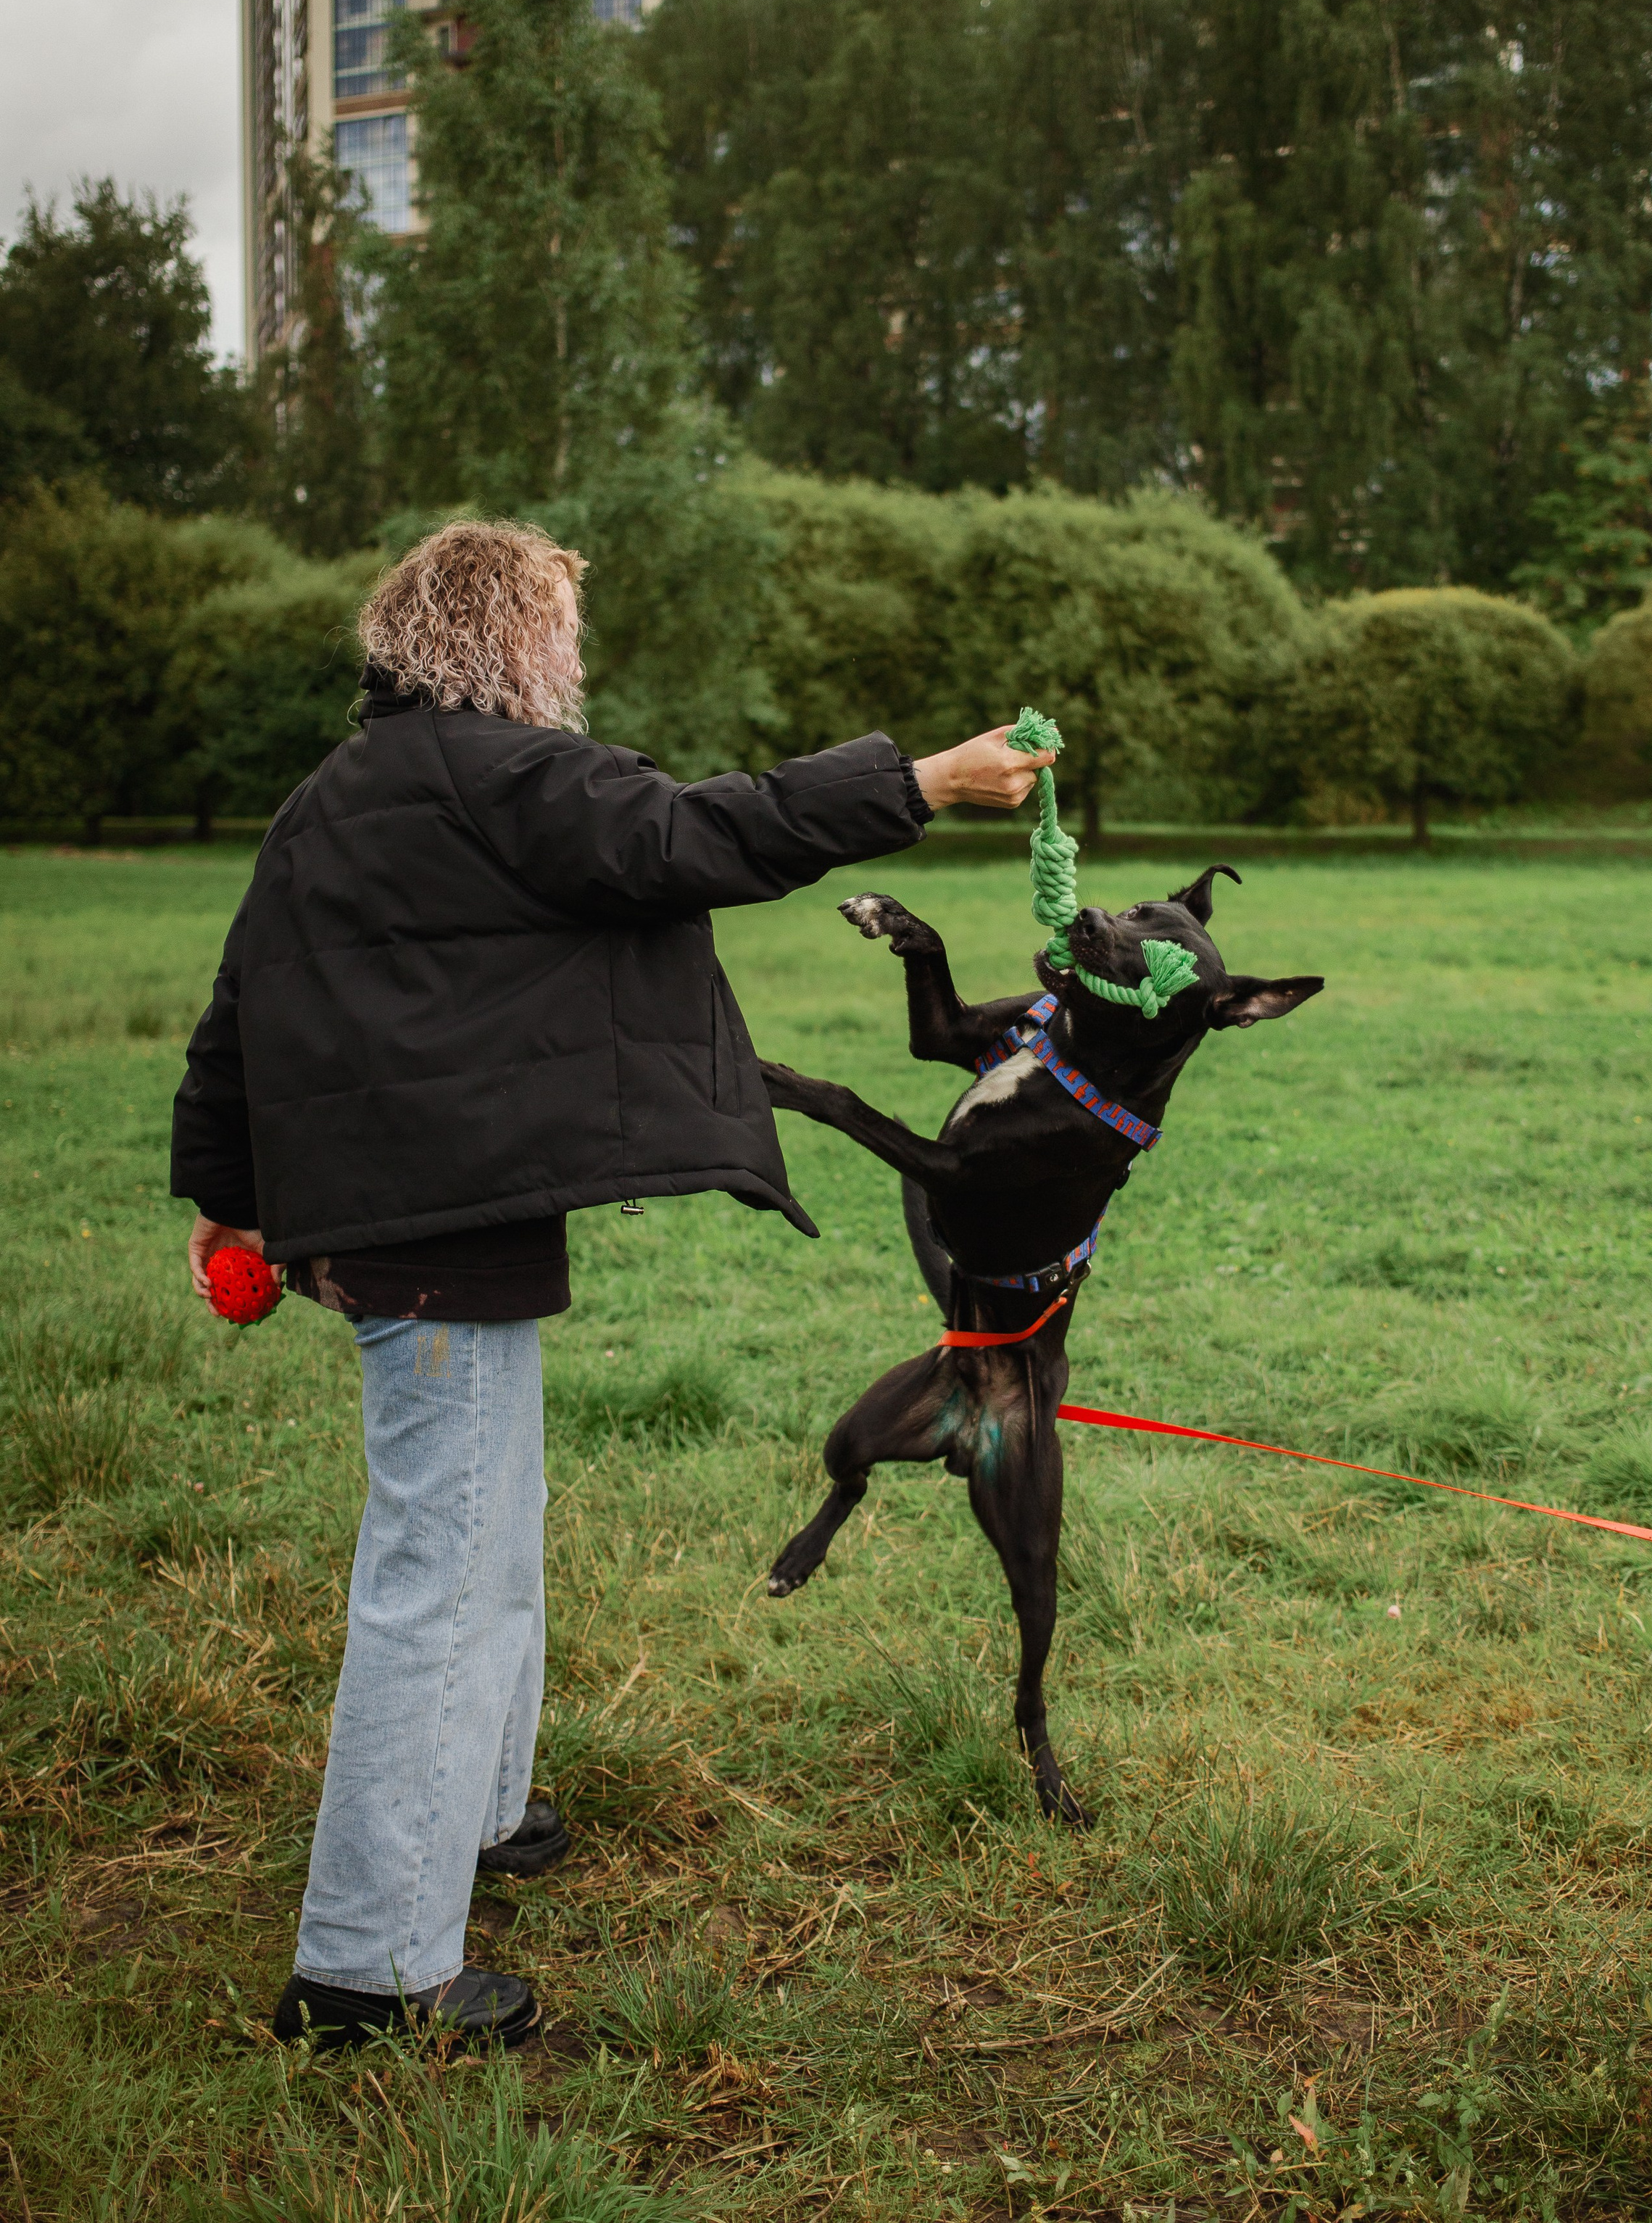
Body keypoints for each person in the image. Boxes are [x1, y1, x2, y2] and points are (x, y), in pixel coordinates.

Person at [170, 518, 1050, 2051]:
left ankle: (481, 1813)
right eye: (559, 626)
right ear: (507, 637)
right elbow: (695, 835)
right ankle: (369, 1974)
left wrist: (225, 1205)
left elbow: (235, 1009)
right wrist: (920, 785)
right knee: (439, 1573)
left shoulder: (339, 794)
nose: (571, 659)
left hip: (394, 1221)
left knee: (490, 1530)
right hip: (431, 1229)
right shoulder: (492, 772)